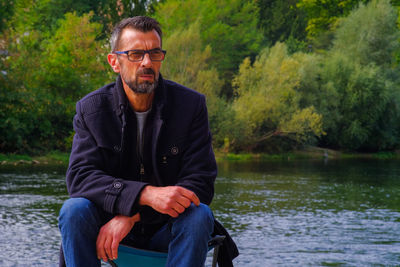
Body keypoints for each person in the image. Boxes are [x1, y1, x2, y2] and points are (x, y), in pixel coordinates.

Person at [58, 16, 237, 267]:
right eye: (135, 54)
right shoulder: (91, 109)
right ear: (114, 62)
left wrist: (133, 215)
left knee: (199, 214)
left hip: (168, 230)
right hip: (108, 232)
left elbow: (201, 184)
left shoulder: (191, 106)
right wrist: (145, 194)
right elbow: (80, 178)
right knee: (74, 211)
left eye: (154, 53)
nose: (147, 62)